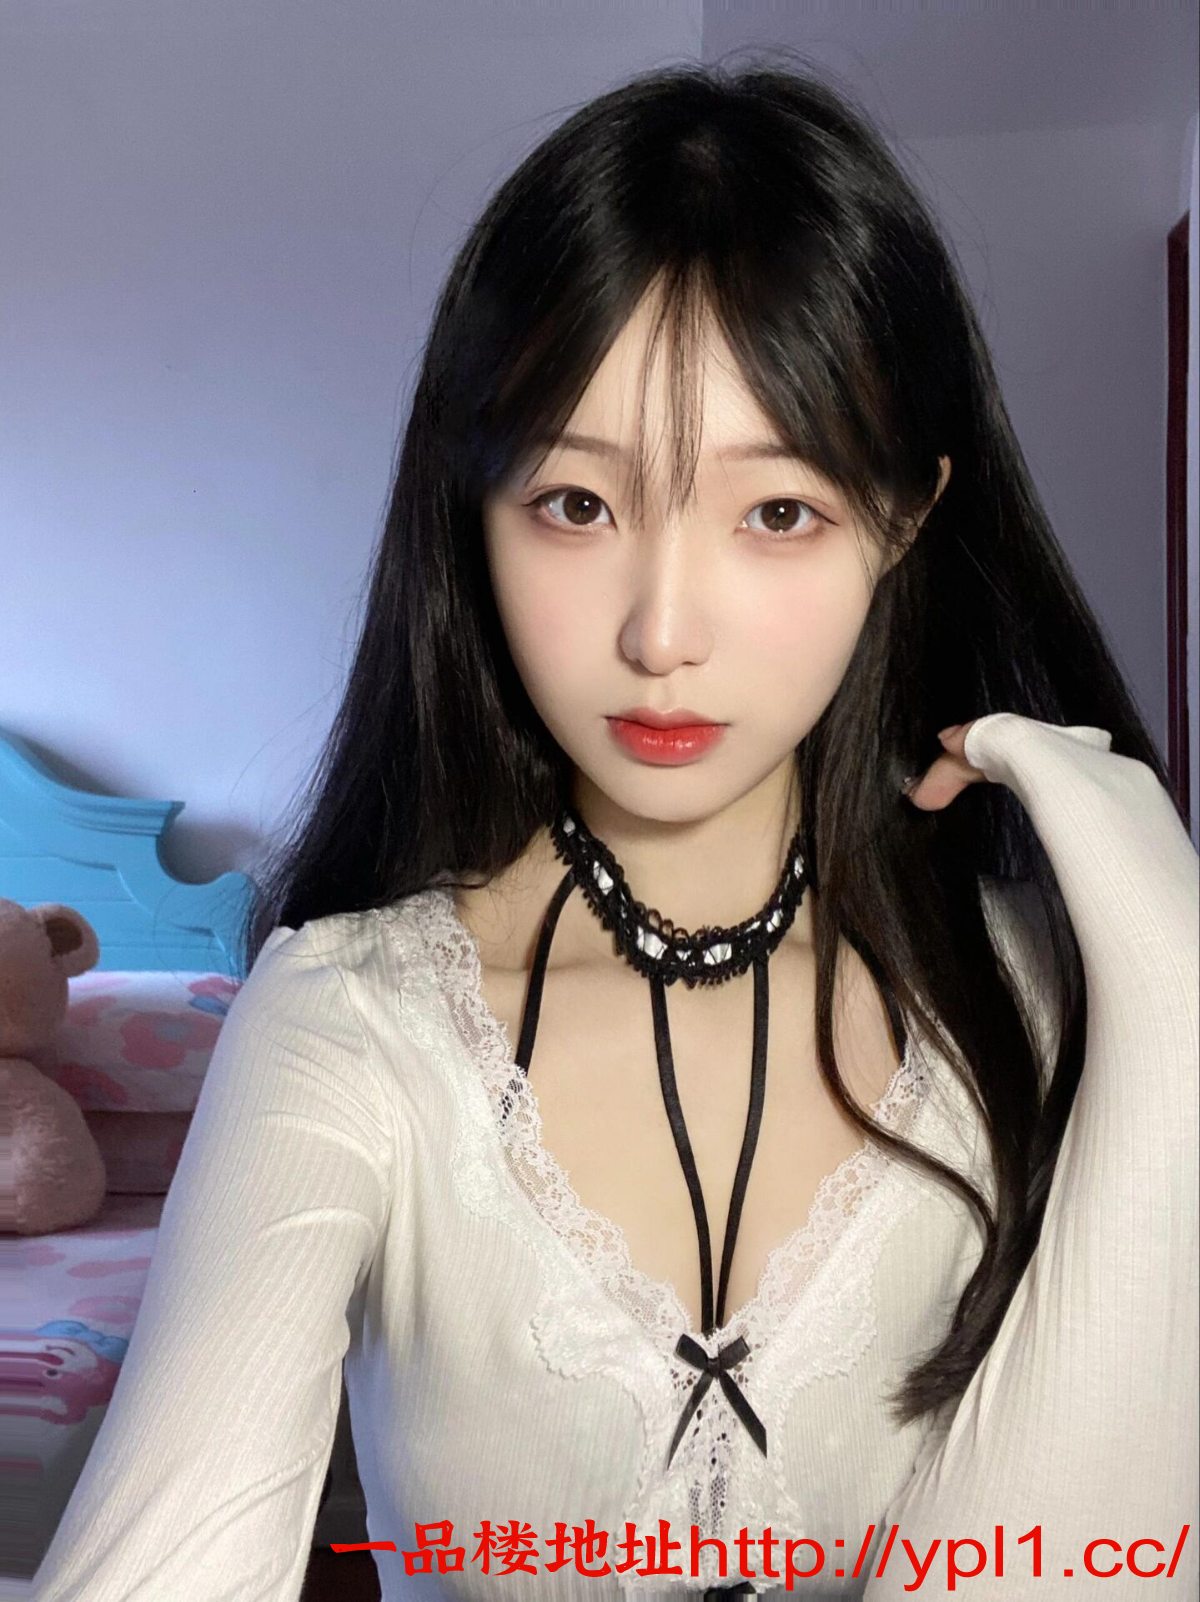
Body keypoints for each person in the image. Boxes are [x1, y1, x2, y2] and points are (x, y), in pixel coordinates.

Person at [25, 58, 1197, 1602]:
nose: (661, 632)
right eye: (578, 505)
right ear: (477, 509)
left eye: (776, 512)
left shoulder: (1033, 1001)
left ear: (903, 517)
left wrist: (1167, 972)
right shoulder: (352, 1025)